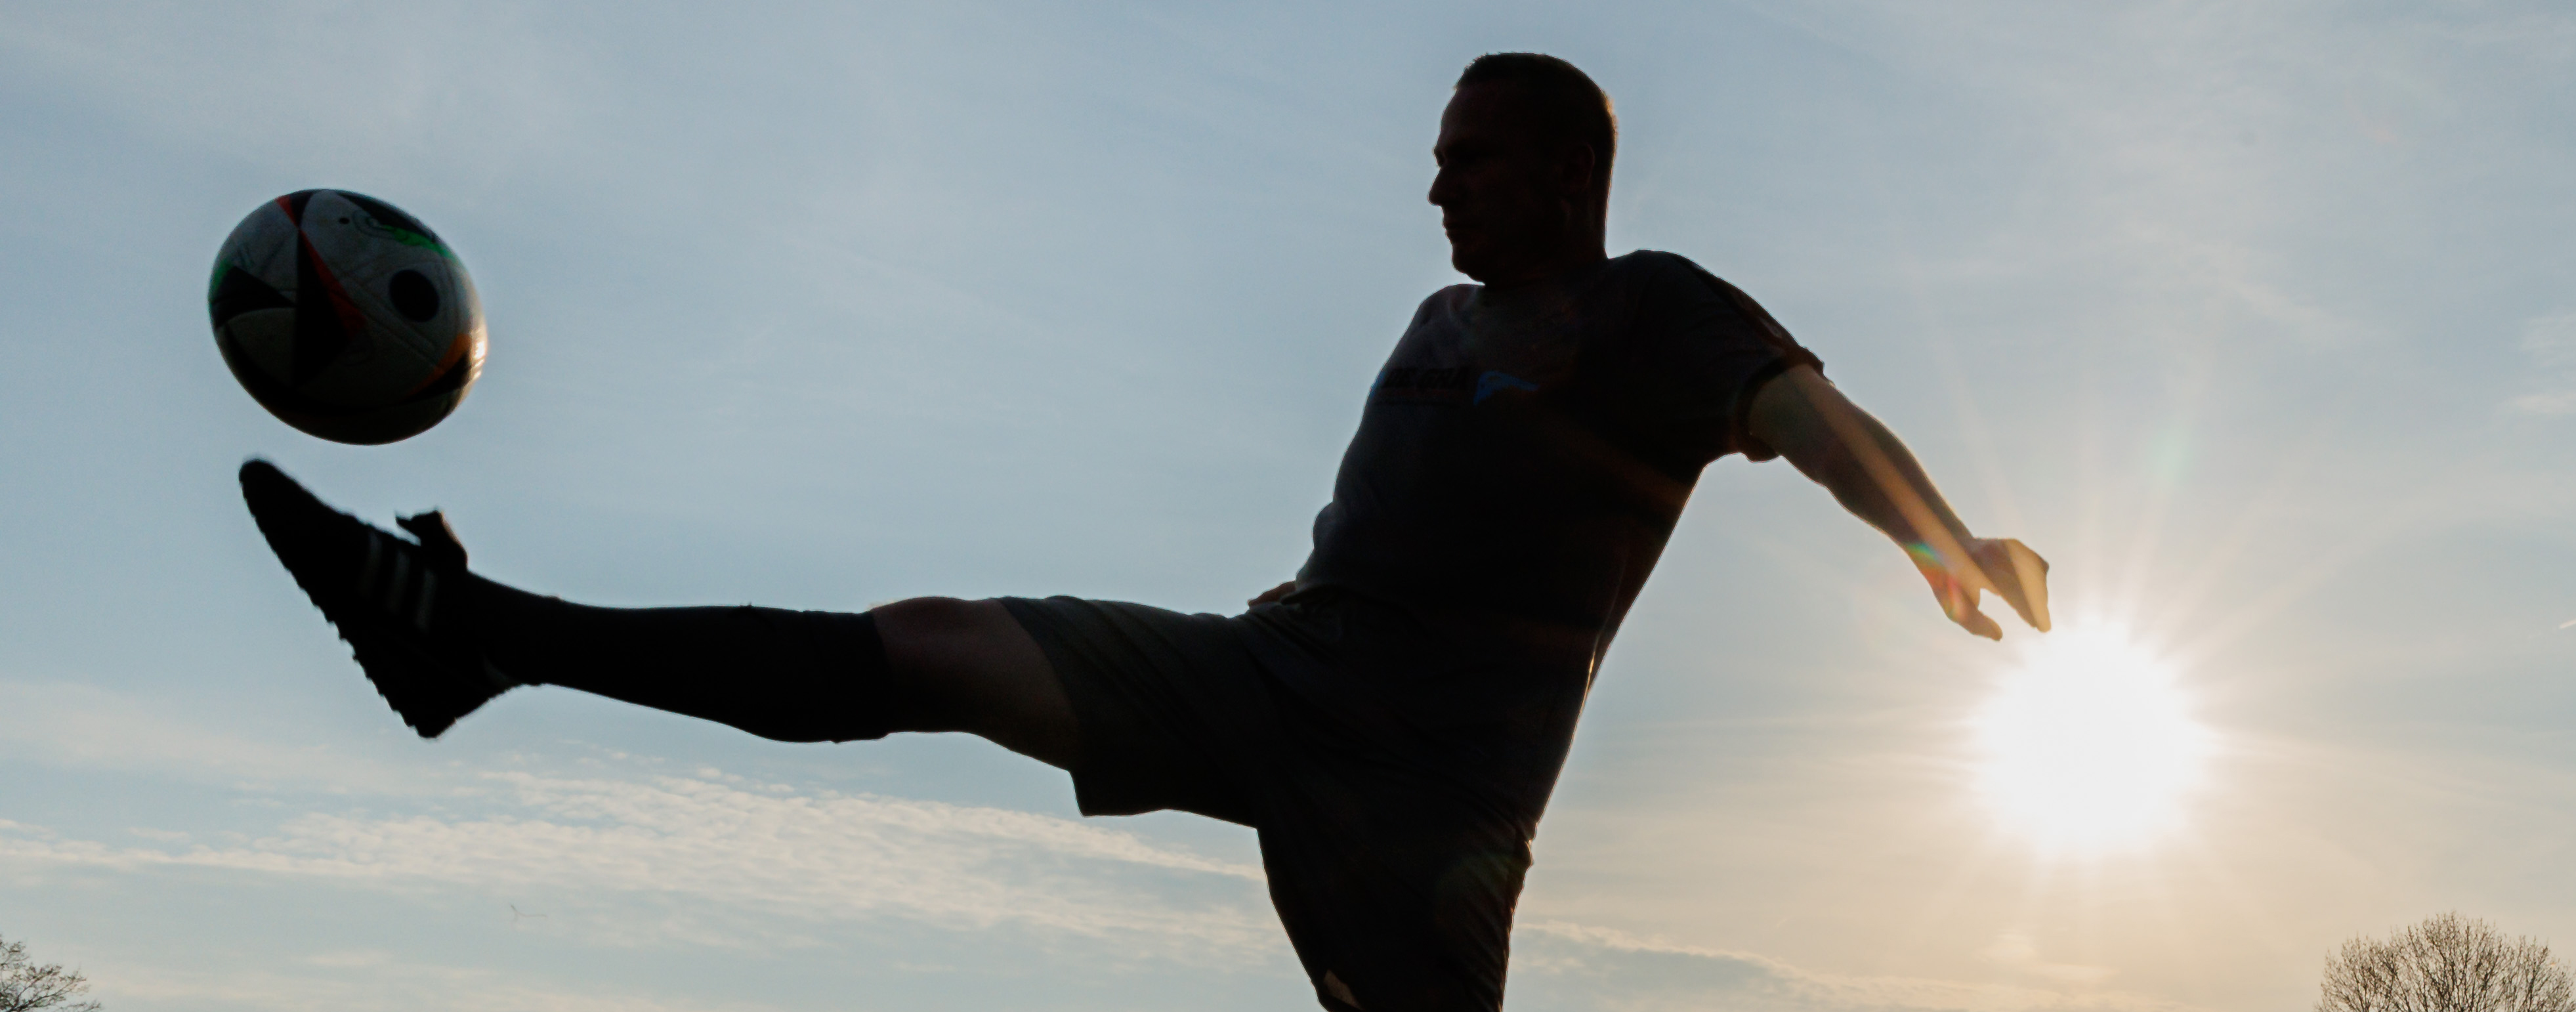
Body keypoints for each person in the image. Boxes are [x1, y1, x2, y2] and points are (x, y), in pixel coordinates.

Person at [240, 52, 2049, 1012]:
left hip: (1429, 803)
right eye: (1436, 155)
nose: (1436, 182)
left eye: (1473, 157)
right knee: (938, 645)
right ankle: (479, 636)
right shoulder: (1437, 323)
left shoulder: (1653, 308)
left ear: (1569, 170)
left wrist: (1945, 542)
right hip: (1274, 677)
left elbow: (1809, 419)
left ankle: (478, 640)